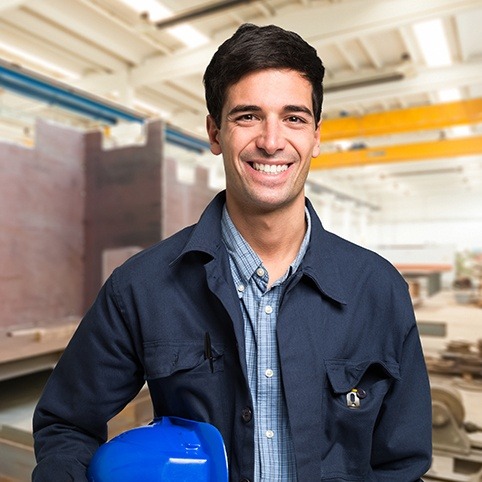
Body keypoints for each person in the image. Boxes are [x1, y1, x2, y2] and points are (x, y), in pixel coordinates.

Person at [32, 23, 432, 481]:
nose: (271, 140)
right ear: (215, 132)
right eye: (248, 116)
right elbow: (65, 423)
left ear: (316, 137)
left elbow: (402, 464)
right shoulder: (143, 287)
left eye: (294, 117)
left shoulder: (377, 291)